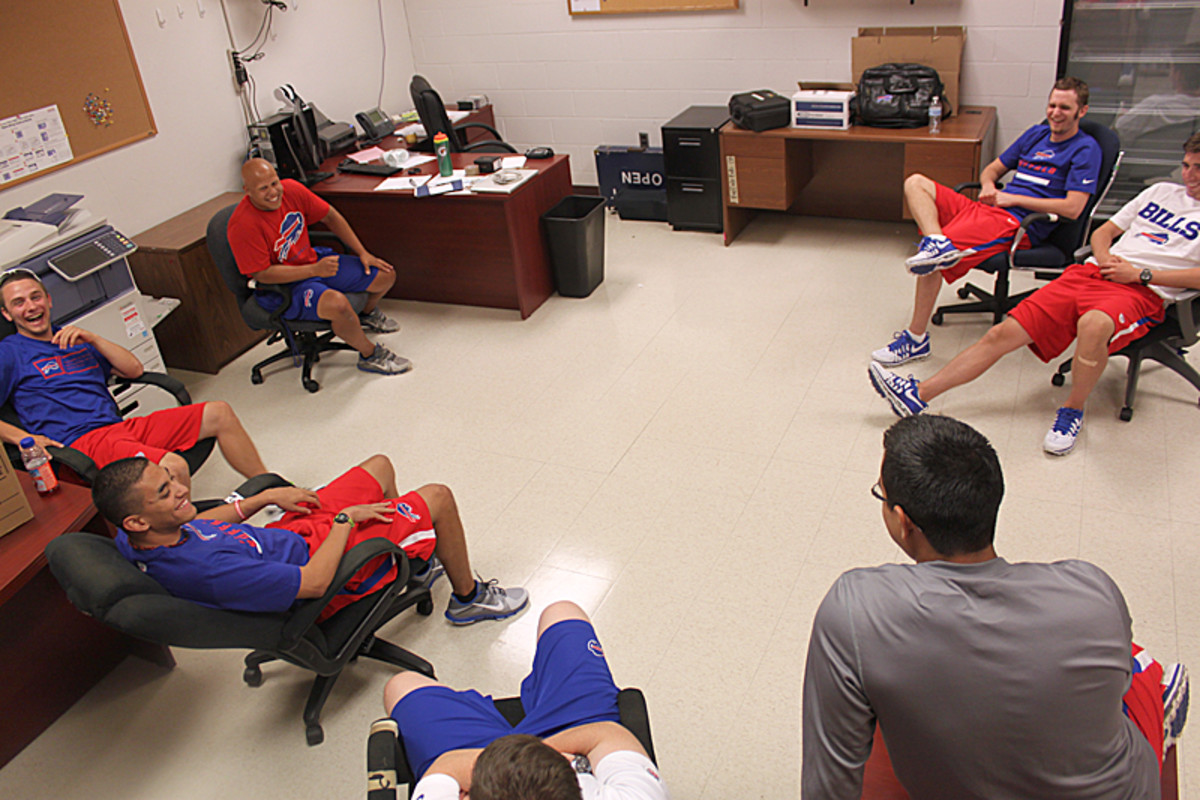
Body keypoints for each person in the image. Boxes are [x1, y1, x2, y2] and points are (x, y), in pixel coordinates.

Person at [801, 414, 1189, 800]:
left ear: (903, 522)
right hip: (1128, 786)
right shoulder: (1092, 590)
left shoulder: (855, 609)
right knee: (1134, 667)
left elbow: (829, 786)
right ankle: (1161, 695)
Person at [869, 134, 1200, 455]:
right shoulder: (1160, 191)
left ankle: (1072, 411)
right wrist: (1103, 258)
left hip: (1141, 290)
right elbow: (1105, 232)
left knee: (1094, 324)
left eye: (1198, 168)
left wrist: (1141, 274)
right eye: (1186, 165)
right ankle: (918, 394)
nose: (1189, 176)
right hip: (1094, 273)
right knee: (1001, 333)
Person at [92, 453, 528, 624]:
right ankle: (468, 599)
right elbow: (315, 585)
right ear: (136, 521)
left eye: (171, 478)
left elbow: (201, 522)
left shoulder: (140, 538)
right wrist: (344, 521)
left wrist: (263, 497)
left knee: (379, 467)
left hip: (287, 537)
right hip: (322, 569)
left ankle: (409, 559)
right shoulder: (210, 572)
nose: (182, 490)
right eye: (165, 492)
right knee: (439, 497)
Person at [872, 77, 1102, 368]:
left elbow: (1073, 208)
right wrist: (988, 185)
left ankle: (916, 340)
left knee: (932, 261)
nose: (1056, 113)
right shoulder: (1036, 135)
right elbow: (992, 169)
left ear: (1082, 111)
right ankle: (937, 241)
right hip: (990, 208)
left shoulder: (1086, 149)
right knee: (916, 183)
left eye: (1065, 108)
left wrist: (1014, 200)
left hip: (1018, 222)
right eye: (1052, 105)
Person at [0, 269, 267, 487]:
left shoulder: (74, 338)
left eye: (35, 297)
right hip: (83, 442)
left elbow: (134, 370)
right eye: (18, 303)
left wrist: (93, 338)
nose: (31, 307)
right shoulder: (9, 353)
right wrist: (25, 439)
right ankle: (181, 542)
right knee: (173, 466)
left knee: (219, 412)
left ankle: (271, 490)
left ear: (49, 300)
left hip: (118, 428)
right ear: (6, 314)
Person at [383, 600, 668, 800]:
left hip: (511, 765)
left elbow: (445, 765)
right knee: (563, 613)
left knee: (401, 685)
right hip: (557, 756)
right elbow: (605, 733)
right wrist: (531, 760)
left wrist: (515, 762)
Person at [228, 158, 411, 376]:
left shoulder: (292, 190)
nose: (273, 192)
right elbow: (262, 274)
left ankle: (366, 315)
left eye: (274, 183)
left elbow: (331, 217)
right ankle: (370, 355)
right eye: (263, 189)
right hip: (283, 286)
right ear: (247, 191)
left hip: (313, 262)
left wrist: (363, 253)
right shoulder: (242, 225)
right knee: (339, 306)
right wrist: (314, 271)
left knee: (385, 275)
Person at [1114, 43, 1200, 143]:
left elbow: (1119, 130)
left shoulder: (1156, 106)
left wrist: (1121, 115)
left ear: (1178, 74)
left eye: (1171, 68)